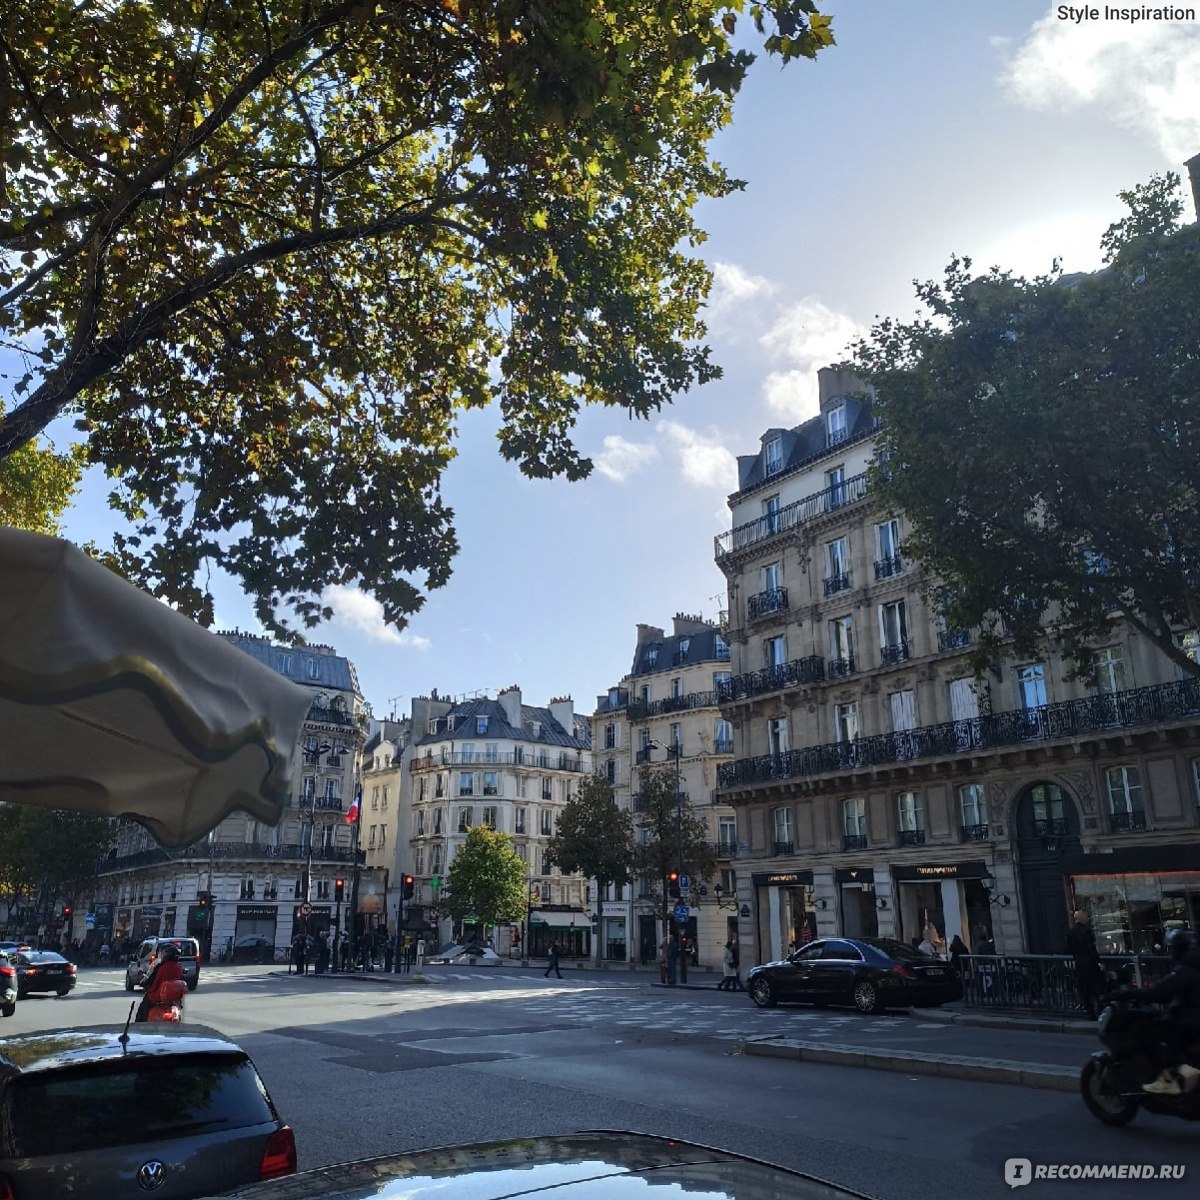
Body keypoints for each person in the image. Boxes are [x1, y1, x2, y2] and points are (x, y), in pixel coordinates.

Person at [1120, 928, 1200, 1095]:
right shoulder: (1192, 966)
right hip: (1192, 1019)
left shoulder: (1184, 970)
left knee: (1146, 1031)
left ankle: (1168, 1079)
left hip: (1190, 1020)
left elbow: (1158, 992)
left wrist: (1129, 993)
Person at [1066, 910, 1103, 1020]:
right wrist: (1098, 962)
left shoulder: (1070, 932)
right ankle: (1100, 1011)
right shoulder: (1087, 931)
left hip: (1079, 964)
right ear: (1082, 918)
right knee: (1097, 989)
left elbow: (1068, 949)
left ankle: (1090, 1013)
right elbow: (1091, 948)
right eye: (1086, 917)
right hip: (1090, 963)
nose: (1087, 918)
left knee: (1084, 990)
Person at [135, 944, 186, 1022]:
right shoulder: (179, 968)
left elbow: (152, 981)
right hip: (173, 1001)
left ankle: (138, 1030)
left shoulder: (161, 967)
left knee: (142, 1012)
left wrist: (145, 984)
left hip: (156, 998)